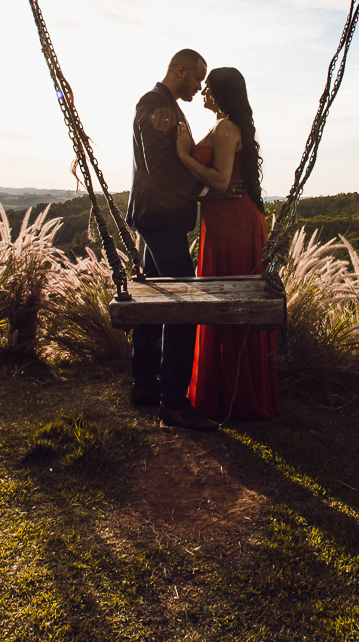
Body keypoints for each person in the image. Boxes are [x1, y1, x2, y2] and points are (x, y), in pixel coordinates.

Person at [175, 67, 279, 421]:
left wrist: (185, 156)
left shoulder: (224, 127)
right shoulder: (227, 126)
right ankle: (229, 387)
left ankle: (231, 392)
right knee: (227, 300)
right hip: (227, 220)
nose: (202, 93)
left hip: (232, 224)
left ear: (220, 93)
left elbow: (220, 181)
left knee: (230, 302)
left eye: (208, 88)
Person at [127, 49, 221, 431]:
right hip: (160, 218)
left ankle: (146, 385)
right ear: (179, 70)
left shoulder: (165, 105)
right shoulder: (157, 104)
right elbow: (160, 165)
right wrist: (203, 190)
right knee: (186, 303)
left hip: (158, 217)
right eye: (196, 79)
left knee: (154, 300)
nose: (199, 88)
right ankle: (174, 403)